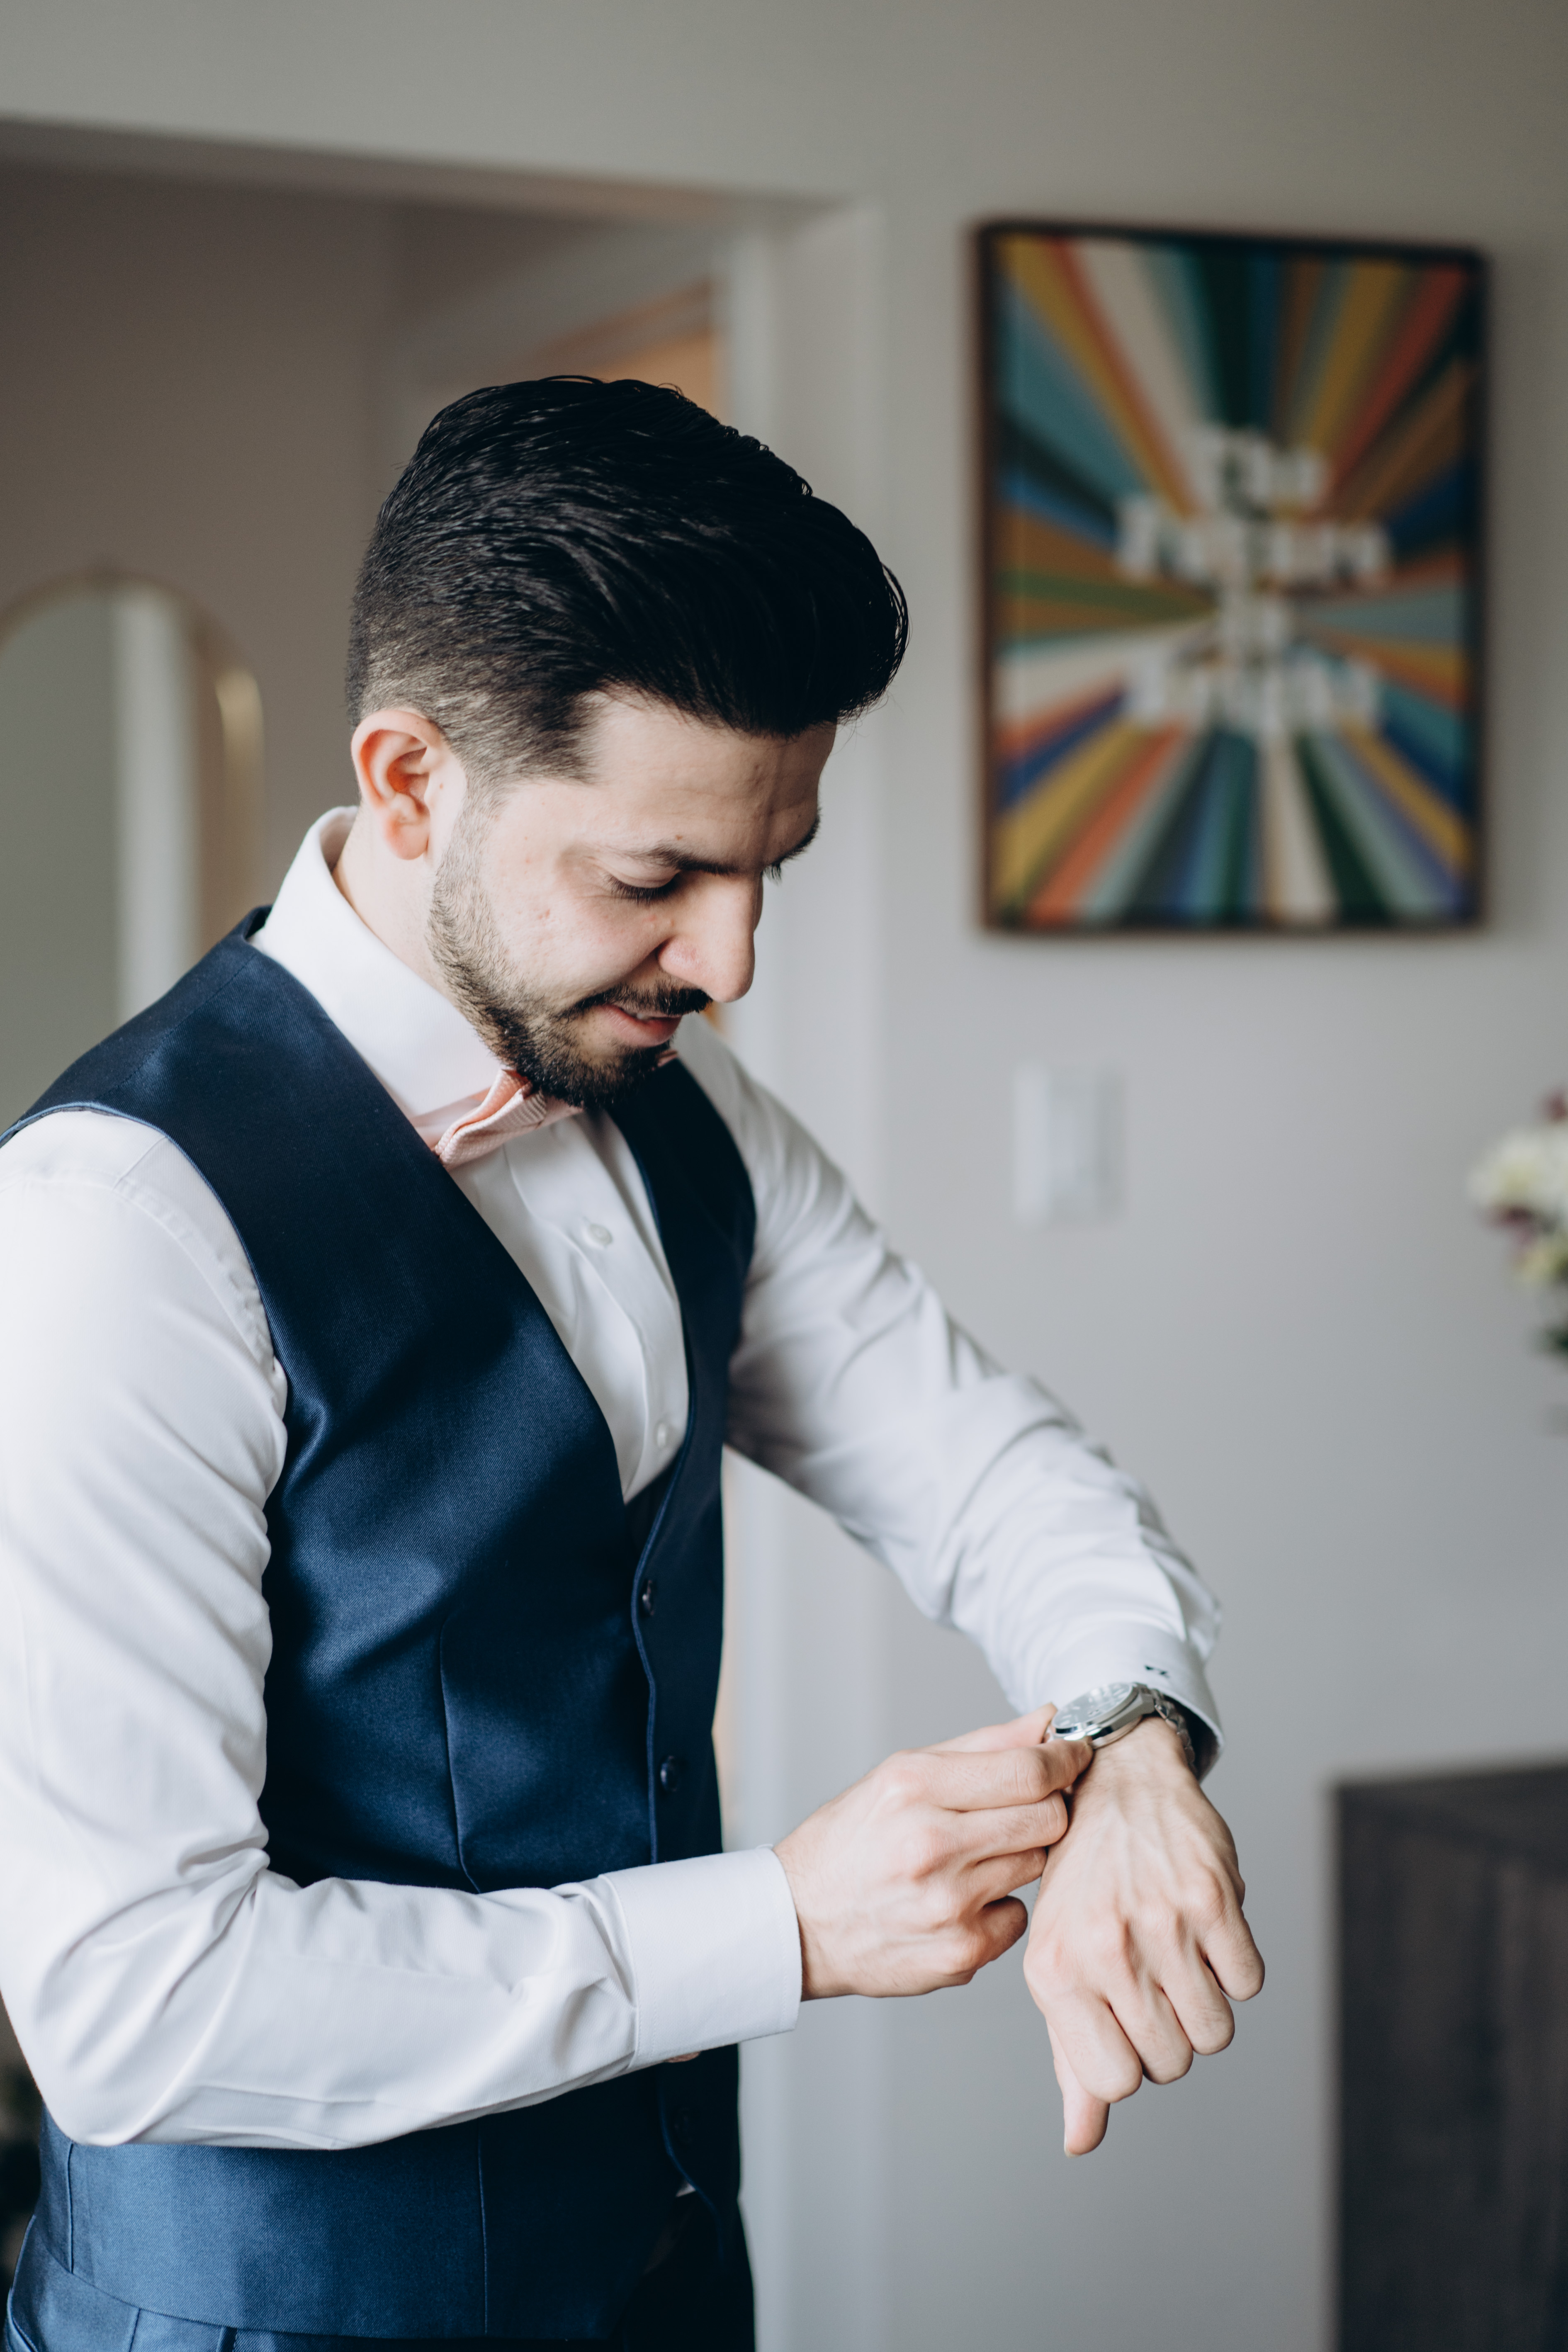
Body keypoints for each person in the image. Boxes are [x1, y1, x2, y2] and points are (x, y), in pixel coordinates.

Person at [0, 379, 1262, 2352]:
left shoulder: (684, 1100)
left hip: (664, 2268)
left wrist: (1129, 1740)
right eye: (657, 878)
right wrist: (783, 1922)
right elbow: (132, 2001)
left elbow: (983, 1466)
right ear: (410, 782)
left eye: (773, 867)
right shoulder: (117, 1226)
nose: (731, 961)